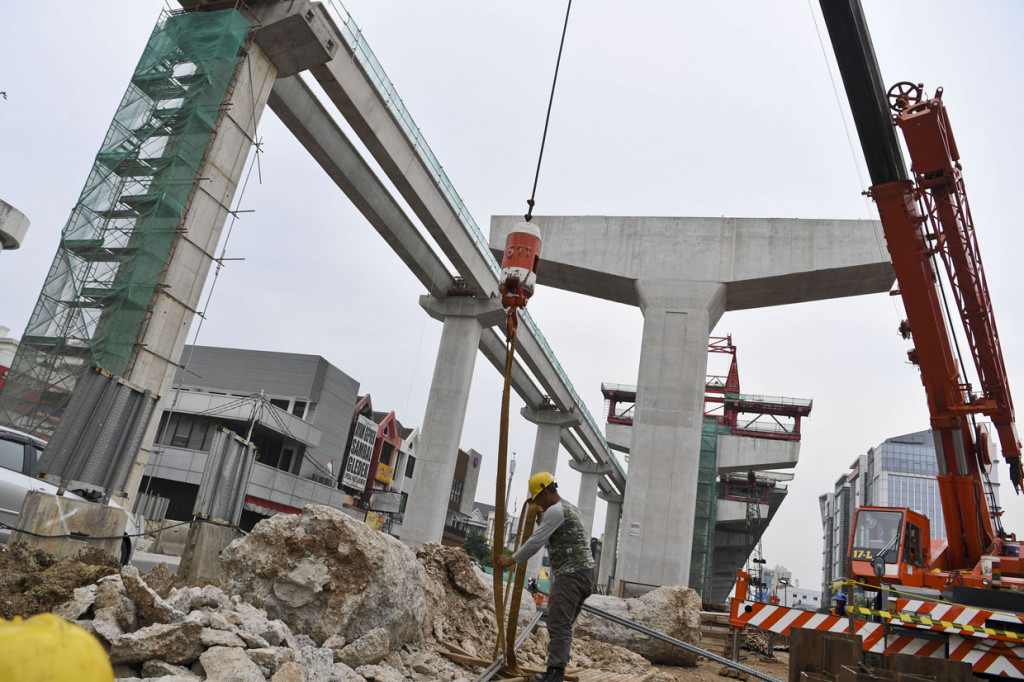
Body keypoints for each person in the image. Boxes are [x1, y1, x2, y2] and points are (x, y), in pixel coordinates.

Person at [496, 472, 595, 682]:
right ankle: (556, 671)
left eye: (538, 499)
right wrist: (541, 518)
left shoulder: (556, 511)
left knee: (558, 623)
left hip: (572, 575)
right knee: (563, 625)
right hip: (584, 575)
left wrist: (510, 560)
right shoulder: (568, 508)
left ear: (545, 492)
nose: (538, 504)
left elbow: (535, 542)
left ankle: (554, 675)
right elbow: (553, 534)